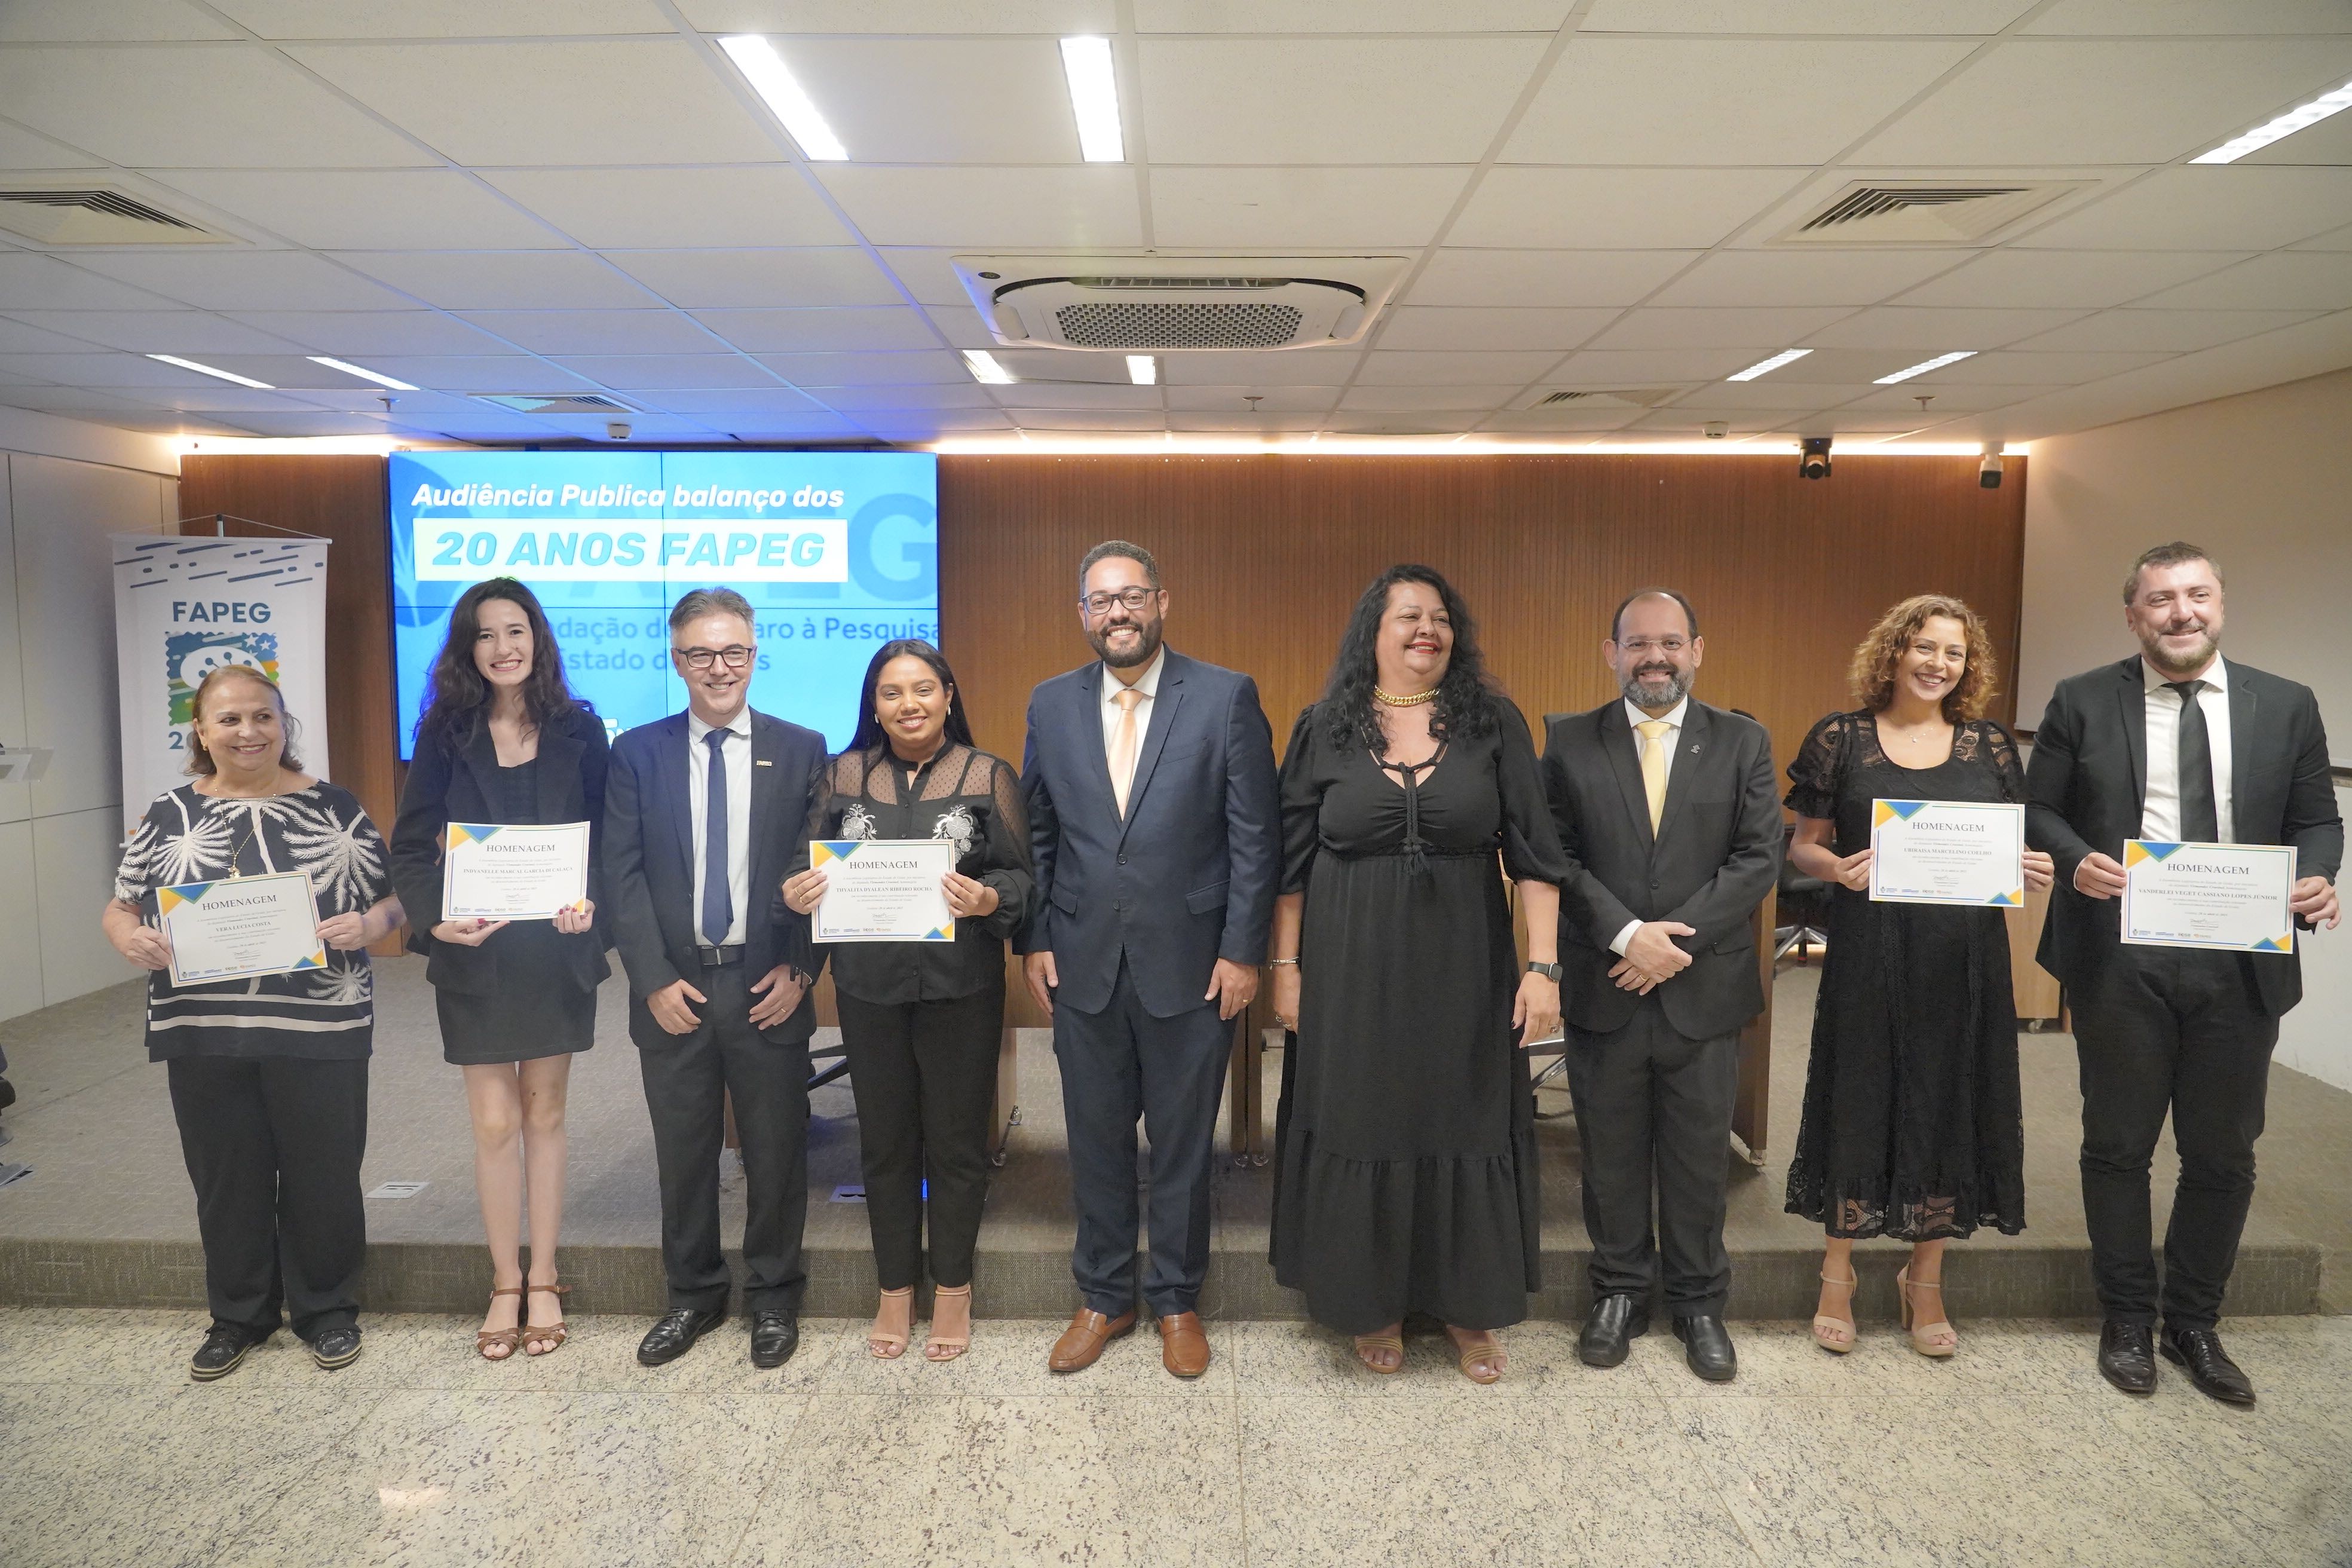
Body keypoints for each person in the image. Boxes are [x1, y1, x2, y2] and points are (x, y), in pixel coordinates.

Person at [2028, 542, 2340, 1405]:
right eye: (2161, 599)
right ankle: (2128, 1317)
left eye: (2197, 594)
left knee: (2223, 1151)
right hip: (2121, 953)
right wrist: (2077, 858)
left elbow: (2318, 819)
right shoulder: (2083, 698)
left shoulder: (2286, 703)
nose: (2181, 613)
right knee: (2118, 1143)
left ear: (2221, 604)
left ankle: (2194, 1321)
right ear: (2133, 615)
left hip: (2242, 959)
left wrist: (2320, 876)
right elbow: (2040, 807)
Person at [1266, 565, 1567, 1382]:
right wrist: (1286, 968)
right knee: (1365, 1113)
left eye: (1440, 617)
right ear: (1374, 632)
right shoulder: (1323, 727)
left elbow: (1535, 856)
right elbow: (1289, 866)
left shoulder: (1493, 723)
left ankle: (1469, 1303)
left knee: (1463, 1112)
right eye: (1407, 616)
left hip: (1466, 963)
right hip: (1349, 964)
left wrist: (1542, 967)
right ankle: (1373, 1301)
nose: (1426, 629)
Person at [1018, 540, 1280, 1379]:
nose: (1118, 613)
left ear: (1162, 602)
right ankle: (1104, 1295)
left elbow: (1255, 837)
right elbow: (1040, 833)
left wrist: (1243, 951)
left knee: (1182, 1144)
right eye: (1101, 600)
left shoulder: (1225, 696)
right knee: (1095, 1139)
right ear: (1083, 614)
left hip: (1194, 962)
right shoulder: (1050, 703)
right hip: (1082, 960)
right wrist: (1037, 937)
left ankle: (1174, 1298)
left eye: (1132, 596)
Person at [102, 664, 402, 1381]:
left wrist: (370, 924)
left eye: (263, 716)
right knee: (225, 1176)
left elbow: (396, 900)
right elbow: (120, 905)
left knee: (324, 1172)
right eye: (230, 719)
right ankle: (238, 1315)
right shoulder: (169, 814)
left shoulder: (334, 806)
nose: (248, 731)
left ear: (283, 723)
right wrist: (128, 937)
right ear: (201, 731)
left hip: (320, 1023)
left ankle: (328, 1309)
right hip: (203, 1028)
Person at [1783, 595, 2054, 1356]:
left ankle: (1924, 1277)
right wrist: (1836, 867)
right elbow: (1804, 844)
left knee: (1950, 1097)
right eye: (1925, 646)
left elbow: (2007, 845)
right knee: (1860, 1090)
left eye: (1955, 652)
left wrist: (2027, 866)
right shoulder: (1841, 737)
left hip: (1963, 956)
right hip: (1871, 950)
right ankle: (1837, 1271)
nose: (1939, 663)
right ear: (1894, 651)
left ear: (1970, 665)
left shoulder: (1991, 746)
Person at [1540, 588, 1781, 1383]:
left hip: (1702, 988)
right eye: (1639, 643)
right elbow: (1556, 855)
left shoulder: (1742, 741)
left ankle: (1699, 1303)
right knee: (1608, 1152)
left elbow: (1757, 858)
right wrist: (1626, 935)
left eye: (1671, 643)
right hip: (1606, 981)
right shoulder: (1569, 741)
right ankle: (1617, 1293)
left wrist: (1672, 943)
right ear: (1611, 653)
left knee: (1698, 1155)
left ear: (1697, 651)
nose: (1655, 657)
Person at [783, 639, 1034, 1362]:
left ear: (949, 696)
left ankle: (952, 1285)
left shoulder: (988, 775)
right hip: (869, 988)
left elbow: (1024, 879)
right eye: (891, 692)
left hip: (962, 986)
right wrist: (797, 891)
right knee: (886, 1141)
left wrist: (988, 897)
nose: (909, 704)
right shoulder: (843, 775)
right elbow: (801, 866)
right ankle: (895, 1286)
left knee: (956, 1143)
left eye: (923, 688)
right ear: (874, 703)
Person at [605, 587, 829, 1371]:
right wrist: (651, 979)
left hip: (769, 983)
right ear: (677, 661)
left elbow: (818, 871)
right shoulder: (637, 753)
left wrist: (802, 968)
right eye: (701, 653)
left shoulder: (802, 749)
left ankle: (774, 1296)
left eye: (733, 651)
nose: (719, 667)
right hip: (675, 989)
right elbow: (621, 875)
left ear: (754, 655)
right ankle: (693, 1294)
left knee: (777, 1152)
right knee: (684, 1155)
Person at [390, 578, 610, 1361]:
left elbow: (608, 840)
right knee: (493, 1124)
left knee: (544, 1116)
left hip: (555, 955)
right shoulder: (445, 733)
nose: (503, 647)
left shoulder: (581, 729)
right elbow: (410, 847)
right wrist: (433, 921)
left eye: (515, 630)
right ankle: (504, 1281)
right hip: (476, 956)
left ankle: (544, 1276)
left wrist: (593, 905)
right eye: (485, 634)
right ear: (467, 648)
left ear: (537, 638)